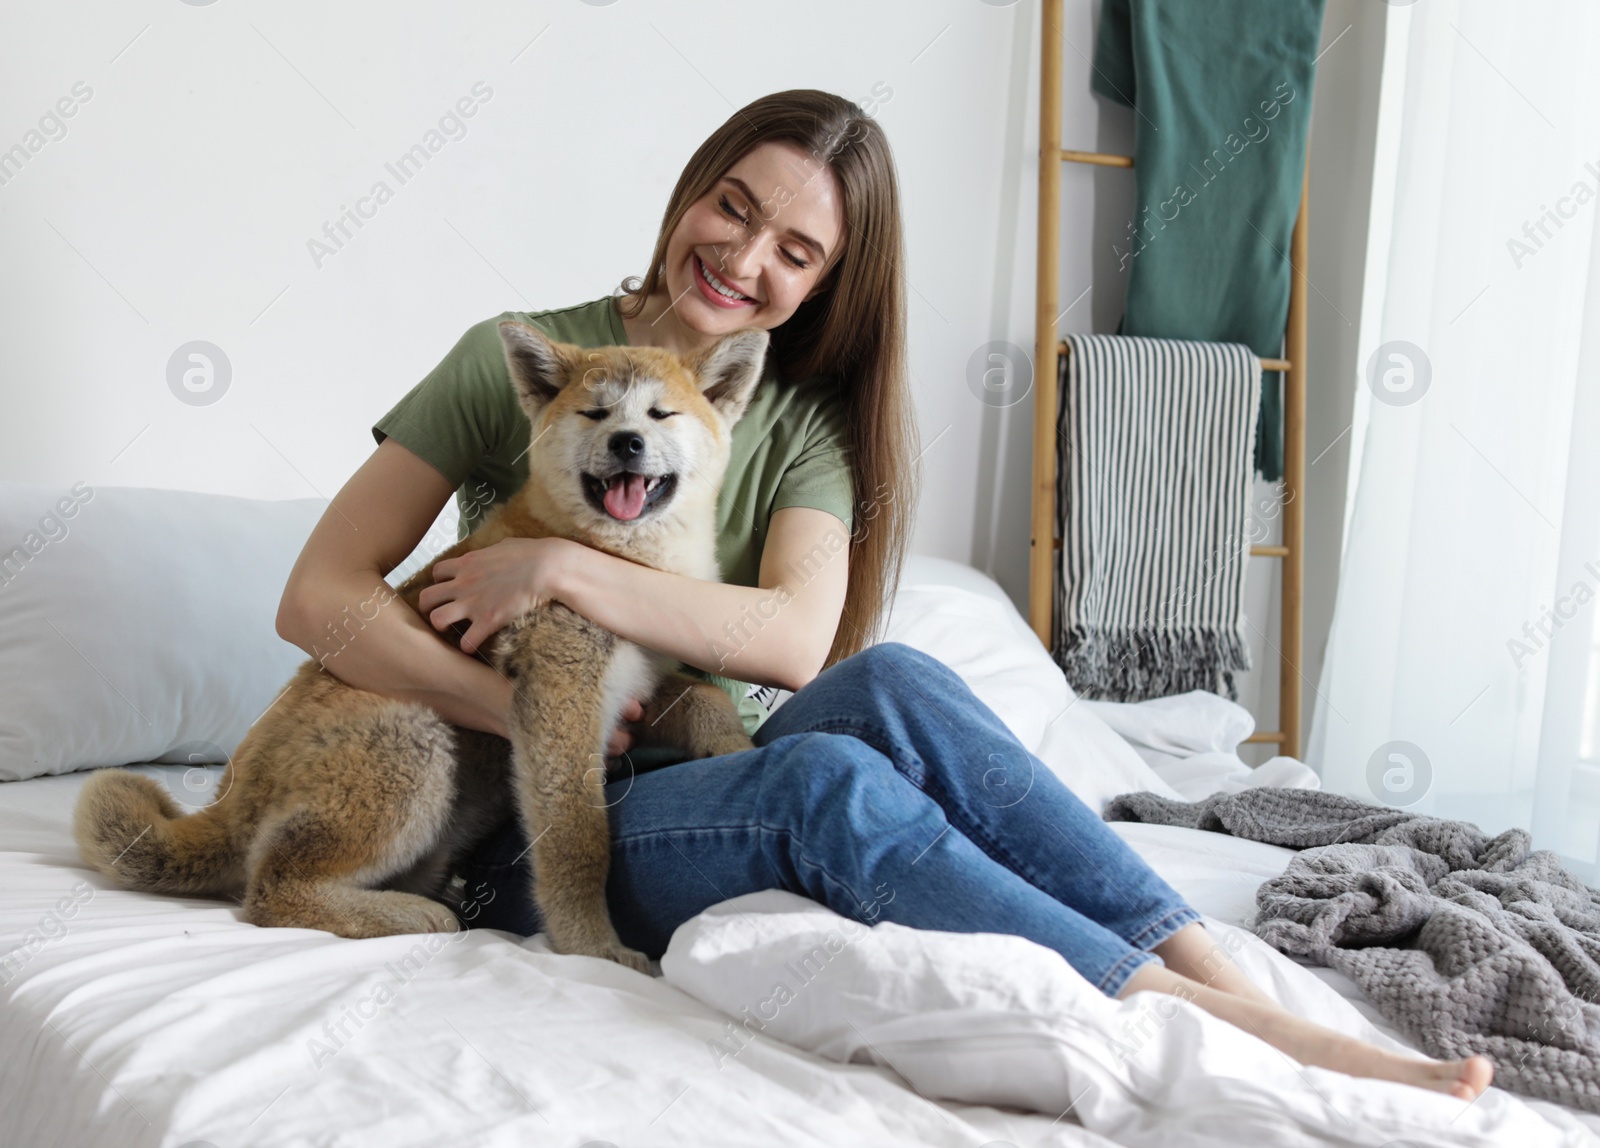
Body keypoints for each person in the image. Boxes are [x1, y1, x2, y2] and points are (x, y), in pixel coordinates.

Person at [276, 89, 1492, 1103]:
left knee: (897, 680)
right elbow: (317, 593)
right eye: (732, 207)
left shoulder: (795, 419)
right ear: (691, 189)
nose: (743, 259)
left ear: (824, 284)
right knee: (827, 781)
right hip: (535, 819)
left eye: (794, 252)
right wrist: (513, 713)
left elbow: (797, 642)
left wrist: (556, 564)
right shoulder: (532, 357)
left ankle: (1198, 958)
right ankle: (1178, 1005)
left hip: (697, 767)